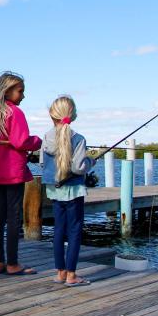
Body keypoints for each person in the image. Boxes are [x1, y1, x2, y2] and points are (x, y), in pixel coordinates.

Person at [0, 71, 42, 275]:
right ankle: (12, 263)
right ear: (8, 90)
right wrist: (37, 141)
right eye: (20, 91)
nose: (23, 95)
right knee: (13, 217)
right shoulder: (15, 113)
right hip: (13, 171)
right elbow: (21, 141)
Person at [41, 95, 94, 287]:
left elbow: (41, 163)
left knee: (58, 230)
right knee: (74, 231)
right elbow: (79, 167)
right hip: (73, 191)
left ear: (52, 115)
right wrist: (90, 161)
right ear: (72, 115)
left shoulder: (46, 137)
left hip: (54, 190)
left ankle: (61, 272)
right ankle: (72, 275)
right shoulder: (78, 138)